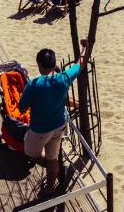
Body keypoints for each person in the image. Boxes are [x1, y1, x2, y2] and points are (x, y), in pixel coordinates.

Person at [18, 38, 89, 198]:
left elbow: (22, 108)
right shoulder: (64, 78)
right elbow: (81, 63)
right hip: (59, 126)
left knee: (31, 153)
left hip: (40, 129)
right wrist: (85, 47)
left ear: (40, 65)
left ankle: (56, 172)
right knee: (52, 157)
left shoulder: (34, 85)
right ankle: (50, 188)